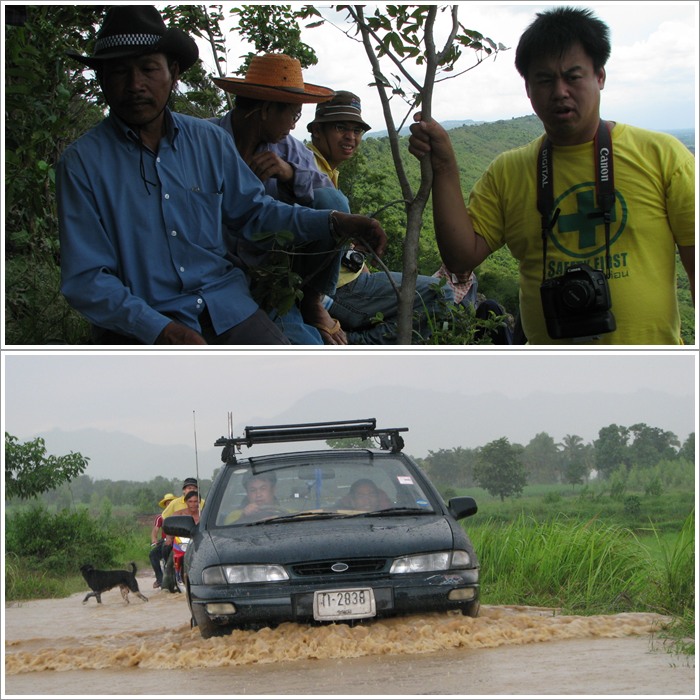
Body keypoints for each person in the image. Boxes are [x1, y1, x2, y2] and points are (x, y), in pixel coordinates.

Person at [57, 6, 386, 345]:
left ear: (172, 73)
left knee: (291, 377)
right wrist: (158, 329)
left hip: (227, 305)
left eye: (148, 68)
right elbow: (87, 278)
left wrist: (335, 222)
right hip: (143, 320)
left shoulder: (208, 142)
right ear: (101, 79)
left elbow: (255, 213)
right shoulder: (83, 164)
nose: (136, 85)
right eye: (119, 72)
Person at [408, 6, 695, 345]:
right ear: (528, 89)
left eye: (573, 76)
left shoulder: (662, 156)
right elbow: (460, 258)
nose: (560, 91)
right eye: (544, 80)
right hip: (548, 374)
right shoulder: (508, 172)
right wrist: (444, 167)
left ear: (599, 76)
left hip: (650, 371)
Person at [209, 54, 346, 344]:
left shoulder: (289, 151)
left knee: (333, 203)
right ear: (266, 109)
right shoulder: (204, 141)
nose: (294, 125)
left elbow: (330, 199)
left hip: (273, 280)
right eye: (294, 114)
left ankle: (312, 301)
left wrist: (290, 174)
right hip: (216, 280)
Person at [170, 490, 201, 584]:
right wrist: (168, 538)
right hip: (180, 543)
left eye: (195, 501)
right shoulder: (177, 515)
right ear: (186, 502)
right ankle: (166, 584)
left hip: (198, 543)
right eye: (190, 501)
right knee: (169, 557)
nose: (193, 504)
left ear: (199, 502)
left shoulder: (204, 515)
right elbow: (170, 526)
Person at [149, 492, 175, 588]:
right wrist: (154, 539)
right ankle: (160, 579)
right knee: (152, 555)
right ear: (165, 505)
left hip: (178, 541)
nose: (169, 505)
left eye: (171, 503)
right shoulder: (161, 517)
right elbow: (155, 530)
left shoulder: (179, 514)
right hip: (165, 541)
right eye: (167, 503)